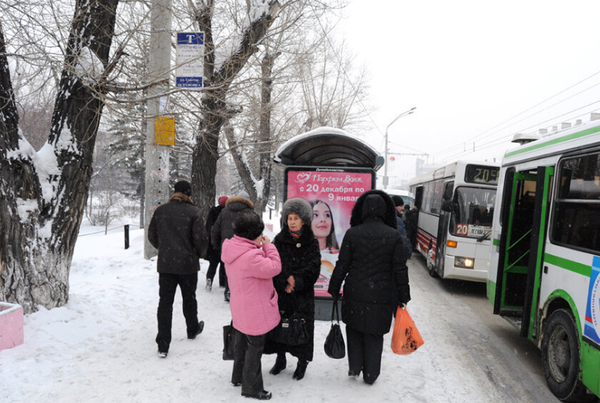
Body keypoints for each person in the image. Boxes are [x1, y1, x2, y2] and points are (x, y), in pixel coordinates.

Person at [328, 190, 410, 385]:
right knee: (374, 334)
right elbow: (400, 269)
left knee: (354, 330)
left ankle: (355, 367)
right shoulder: (394, 236)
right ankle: (371, 374)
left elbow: (343, 264)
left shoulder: (353, 234)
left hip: (355, 290)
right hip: (381, 294)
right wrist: (403, 296)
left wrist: (334, 287)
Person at [221, 212, 282, 401]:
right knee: (255, 347)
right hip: (255, 308)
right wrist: (269, 246)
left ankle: (237, 377)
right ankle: (252, 388)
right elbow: (275, 267)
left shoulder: (231, 246)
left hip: (240, 306)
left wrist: (259, 246)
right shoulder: (251, 256)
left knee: (241, 344)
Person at [148, 180, 208, 358]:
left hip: (166, 265)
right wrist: (196, 253)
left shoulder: (161, 210)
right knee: (189, 298)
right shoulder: (194, 212)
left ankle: (163, 344)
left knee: (165, 303)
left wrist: (165, 249)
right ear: (189, 194)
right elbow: (201, 239)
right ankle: (192, 328)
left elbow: (152, 236)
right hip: (188, 265)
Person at [265, 198, 320, 381]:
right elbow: (273, 264)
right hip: (283, 294)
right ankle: (280, 360)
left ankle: (301, 363)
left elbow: (313, 268)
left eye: (296, 218)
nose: (292, 222)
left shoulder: (311, 242)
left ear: (303, 220)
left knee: (301, 328)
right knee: (280, 327)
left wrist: (296, 281)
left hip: (302, 295)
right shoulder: (279, 240)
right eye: (289, 218)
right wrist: (284, 280)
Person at [211, 192, 254, 302]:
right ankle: (240, 293)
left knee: (229, 271)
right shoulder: (250, 213)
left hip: (226, 248)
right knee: (243, 272)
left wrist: (217, 246)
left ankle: (228, 291)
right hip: (245, 249)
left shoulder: (224, 211)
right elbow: (256, 231)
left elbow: (215, 230)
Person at [205, 195, 228, 291]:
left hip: (214, 241)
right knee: (223, 264)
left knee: (213, 263)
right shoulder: (227, 213)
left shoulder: (213, 211)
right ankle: (222, 283)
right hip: (224, 241)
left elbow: (208, 226)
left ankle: (209, 278)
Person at [390, 195, 412, 259]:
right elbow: (403, 241)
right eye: (400, 206)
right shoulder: (397, 221)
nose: (402, 208)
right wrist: (408, 252)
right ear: (395, 206)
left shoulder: (385, 217)